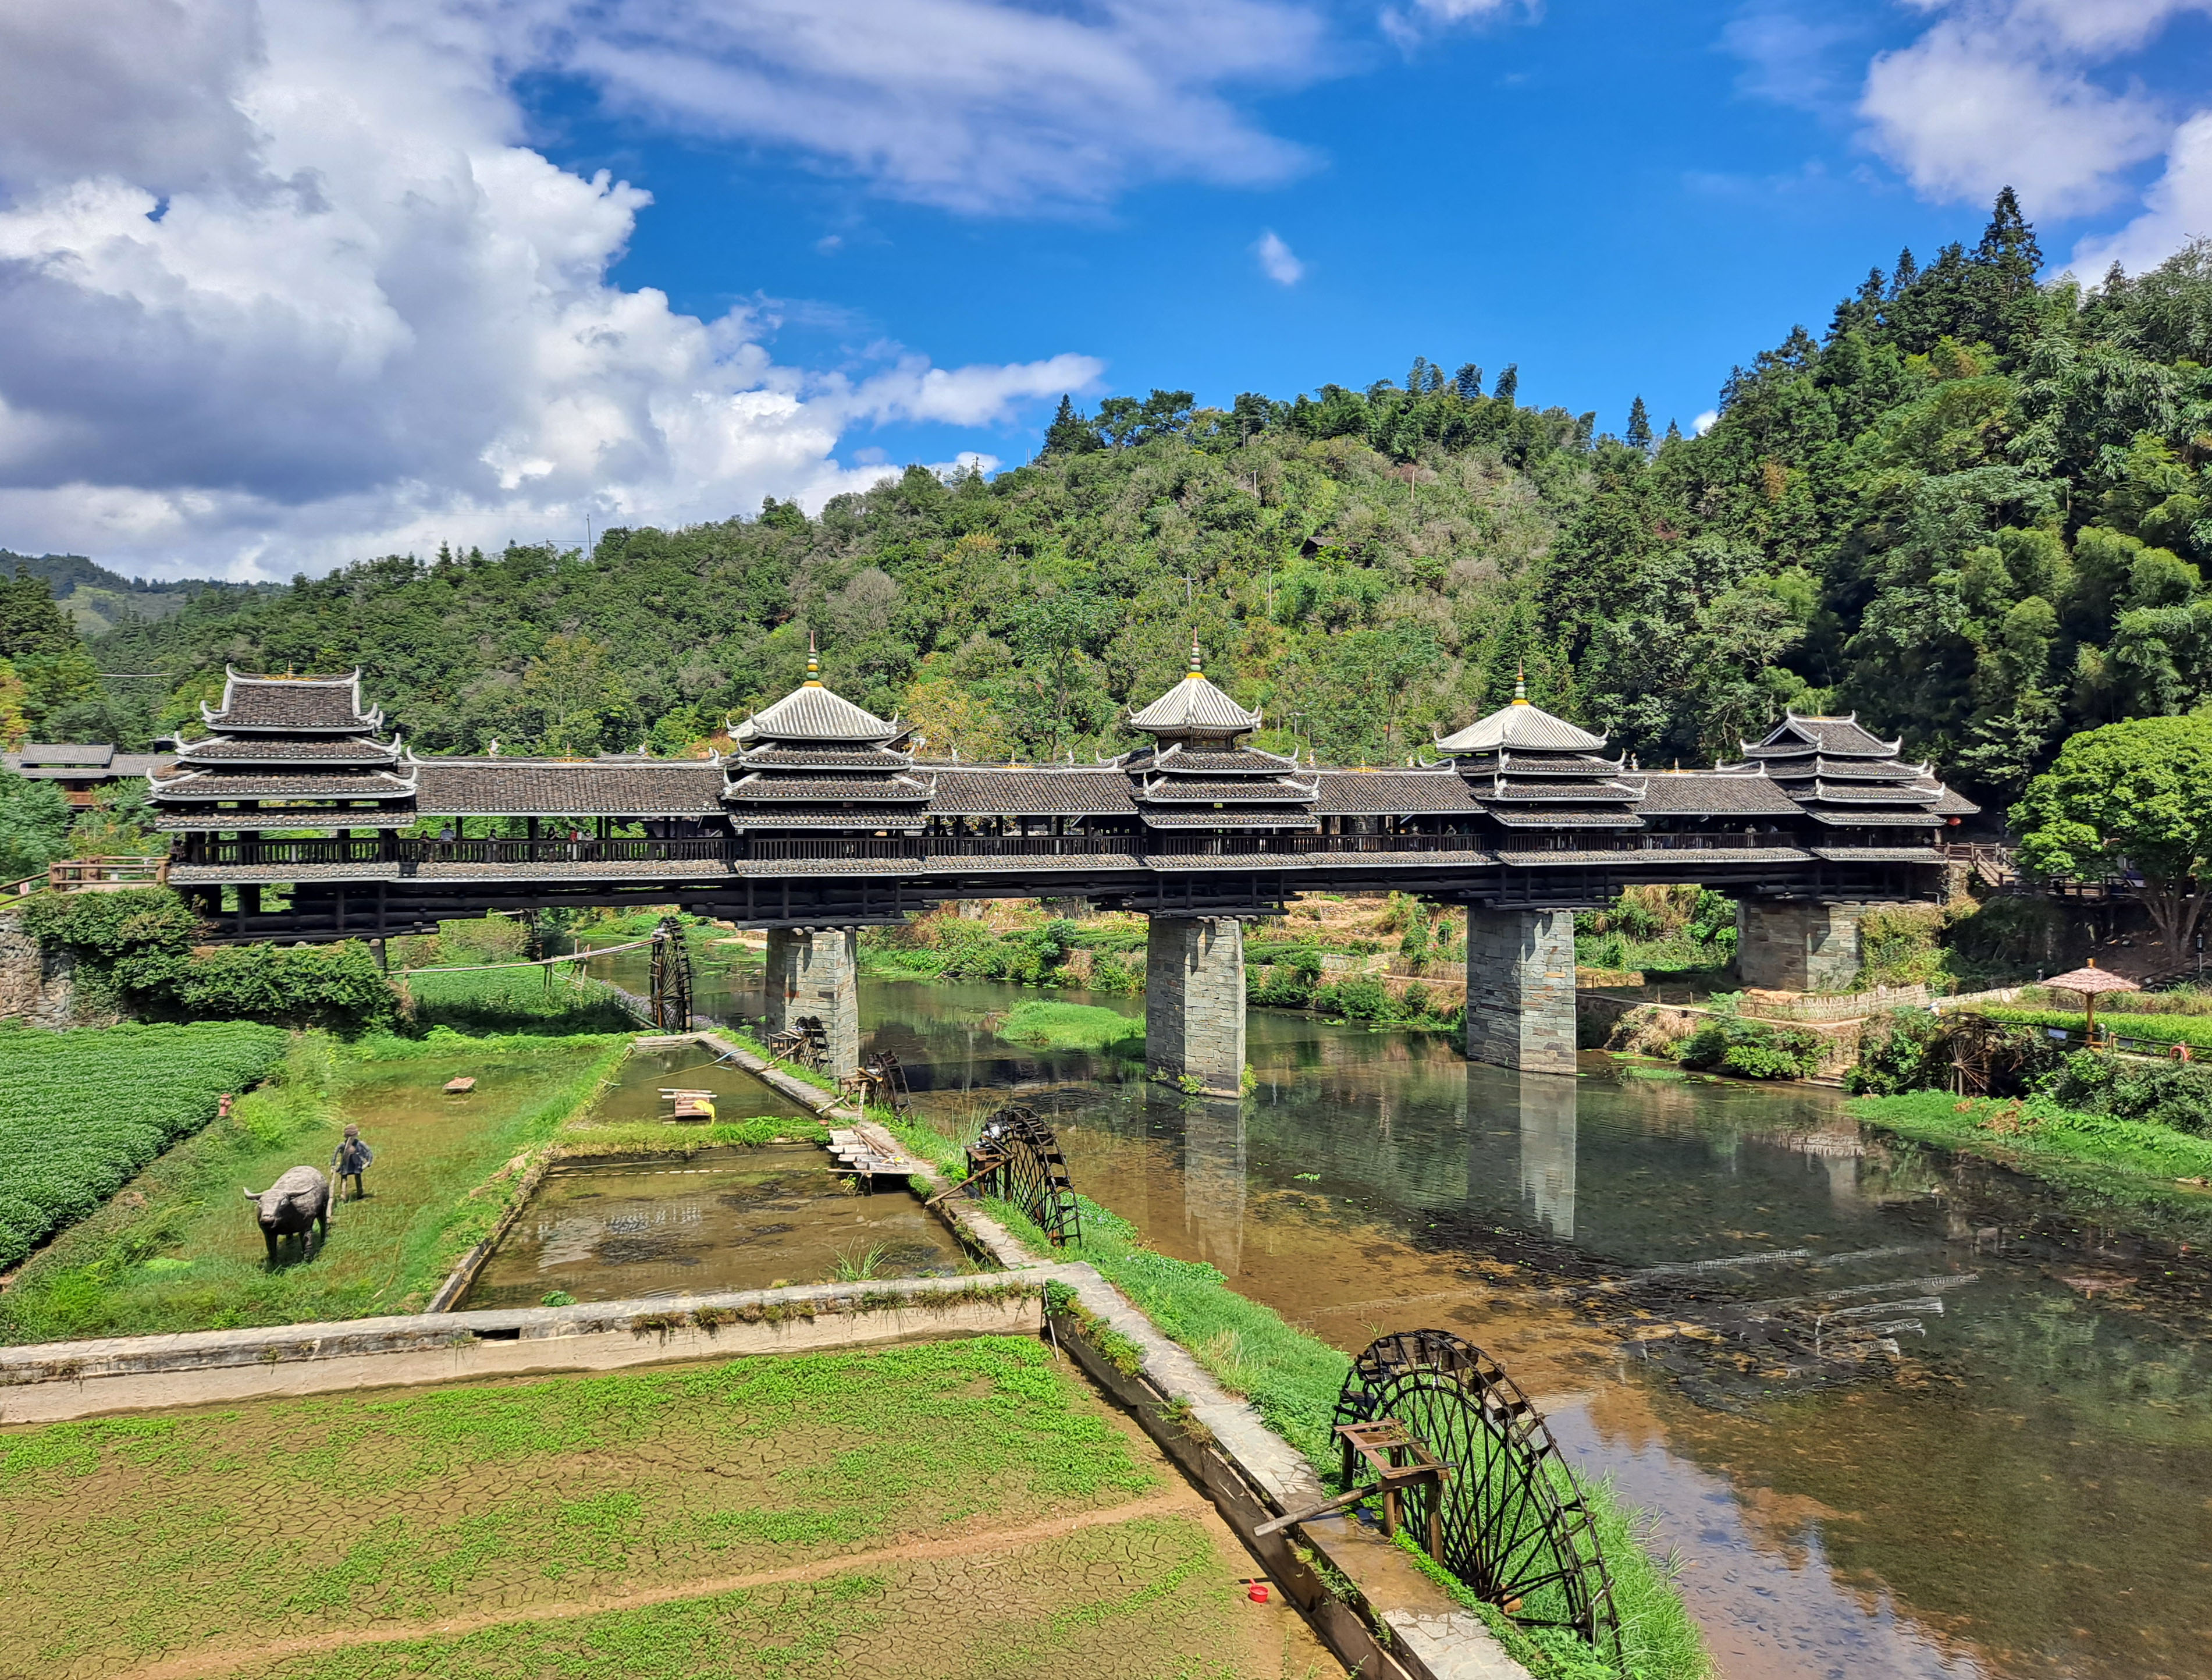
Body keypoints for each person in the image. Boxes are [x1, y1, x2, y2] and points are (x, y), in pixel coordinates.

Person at [331, 1123, 374, 1201]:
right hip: (351, 1166)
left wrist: (333, 1165)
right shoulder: (359, 1144)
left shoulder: (348, 1144)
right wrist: (368, 1162)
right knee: (351, 1179)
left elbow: (335, 1152)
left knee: (346, 1179)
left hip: (350, 1166)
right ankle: (350, 1195)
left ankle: (350, 1195)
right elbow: (369, 1152)